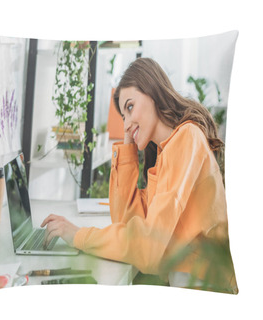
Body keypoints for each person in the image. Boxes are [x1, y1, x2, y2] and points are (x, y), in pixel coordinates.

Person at [41, 57, 238, 293]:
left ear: (153, 92)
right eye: (123, 115)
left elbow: (147, 248)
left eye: (130, 107)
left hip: (205, 286)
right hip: (187, 283)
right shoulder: (166, 152)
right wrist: (127, 146)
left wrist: (79, 236)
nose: (125, 123)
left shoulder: (187, 138)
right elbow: (127, 224)